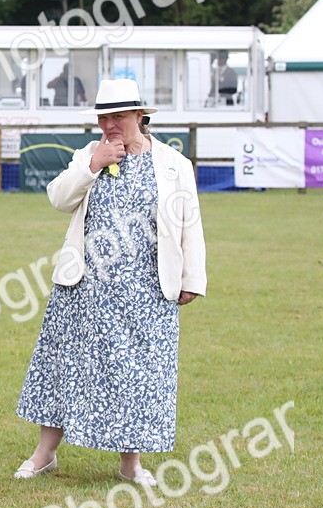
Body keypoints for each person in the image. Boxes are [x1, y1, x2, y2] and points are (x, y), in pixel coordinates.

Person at [13, 78, 206, 486]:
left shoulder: (174, 164)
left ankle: (130, 463)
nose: (109, 124)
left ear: (139, 115)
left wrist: (192, 277)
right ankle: (44, 454)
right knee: (64, 366)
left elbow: (190, 224)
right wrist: (94, 164)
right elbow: (59, 198)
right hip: (86, 287)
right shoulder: (88, 153)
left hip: (147, 289)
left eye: (117, 116)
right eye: (103, 117)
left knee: (138, 374)